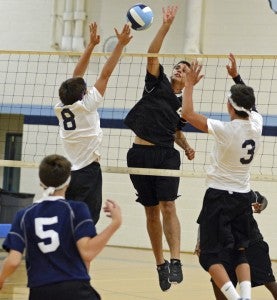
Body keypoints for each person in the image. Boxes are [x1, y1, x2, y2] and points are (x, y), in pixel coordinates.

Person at [124, 6, 201, 292]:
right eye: (178, 67)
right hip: (139, 154)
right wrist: (166, 25)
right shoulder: (156, 83)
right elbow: (152, 54)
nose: (179, 70)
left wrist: (187, 145)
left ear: (189, 79)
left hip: (166, 155)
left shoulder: (185, 104)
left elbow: (176, 128)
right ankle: (160, 265)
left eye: (185, 69)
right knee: (150, 211)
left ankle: (176, 260)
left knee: (169, 205)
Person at [182, 59, 263, 300]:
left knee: (208, 256)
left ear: (229, 105)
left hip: (219, 196)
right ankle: (246, 297)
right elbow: (251, 105)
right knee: (240, 252)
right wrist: (237, 77)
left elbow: (186, 114)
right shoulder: (257, 125)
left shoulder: (225, 130)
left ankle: (235, 298)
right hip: (242, 196)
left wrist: (189, 85)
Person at [0, 154, 122, 300]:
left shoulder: (24, 215)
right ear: (68, 181)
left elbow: (13, 261)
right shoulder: (77, 210)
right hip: (75, 288)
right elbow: (88, 252)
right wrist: (115, 223)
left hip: (40, 291)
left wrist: (1, 279)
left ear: (40, 181)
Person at [55, 22, 132, 224]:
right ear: (82, 95)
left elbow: (76, 77)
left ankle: (67, 252)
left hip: (70, 172)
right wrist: (120, 44)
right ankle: (79, 254)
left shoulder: (61, 107)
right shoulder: (86, 106)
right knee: (87, 221)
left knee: (70, 218)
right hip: (87, 171)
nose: (89, 90)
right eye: (86, 89)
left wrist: (90, 45)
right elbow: (105, 74)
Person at [195, 191, 277, 299]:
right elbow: (205, 220)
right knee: (219, 288)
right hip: (224, 245)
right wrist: (199, 241)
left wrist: (260, 207)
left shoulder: (245, 191)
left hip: (251, 243)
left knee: (270, 283)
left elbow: (262, 200)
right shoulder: (215, 194)